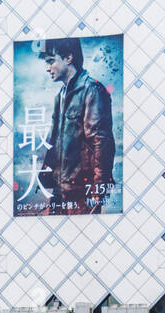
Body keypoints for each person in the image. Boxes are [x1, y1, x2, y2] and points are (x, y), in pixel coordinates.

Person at [34, 38, 117, 215]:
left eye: (51, 61)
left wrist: (98, 193)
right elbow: (55, 142)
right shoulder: (60, 95)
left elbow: (101, 144)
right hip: (60, 190)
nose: (48, 68)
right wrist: (47, 176)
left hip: (81, 193)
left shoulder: (91, 90)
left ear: (69, 58)